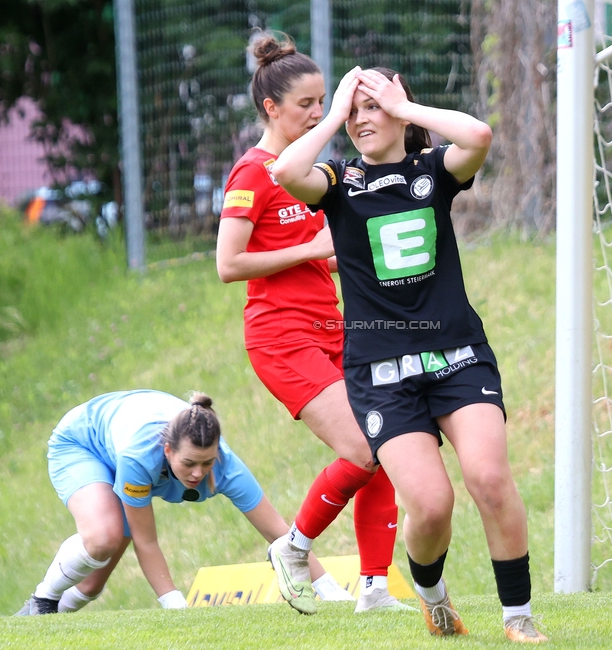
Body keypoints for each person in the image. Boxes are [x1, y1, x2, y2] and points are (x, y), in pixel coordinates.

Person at [270, 67, 547, 643]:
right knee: (430, 504)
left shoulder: (432, 172)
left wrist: (407, 108)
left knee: (489, 478)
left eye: (373, 108)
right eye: (355, 112)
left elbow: (478, 136)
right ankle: (432, 596)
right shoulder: (337, 181)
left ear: (398, 110)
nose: (361, 119)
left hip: (458, 357)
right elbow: (285, 170)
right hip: (382, 377)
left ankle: (518, 618)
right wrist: (333, 110)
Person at [215, 32, 410, 617]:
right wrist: (309, 252)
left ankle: (374, 590)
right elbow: (229, 265)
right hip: (281, 338)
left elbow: (318, 248)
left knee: (384, 442)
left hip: (334, 330)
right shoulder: (252, 173)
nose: (319, 114)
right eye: (307, 105)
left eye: (325, 102)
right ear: (271, 108)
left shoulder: (310, 169)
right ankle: (294, 549)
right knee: (361, 445)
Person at [14, 389, 351, 615]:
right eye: (189, 464)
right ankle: (41, 602)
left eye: (206, 463)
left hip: (121, 436)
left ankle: (43, 624)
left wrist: (333, 592)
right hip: (83, 442)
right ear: (168, 451)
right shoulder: (138, 458)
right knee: (103, 538)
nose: (198, 474)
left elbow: (281, 534)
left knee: (92, 582)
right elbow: (147, 542)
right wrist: (178, 609)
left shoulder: (226, 467)